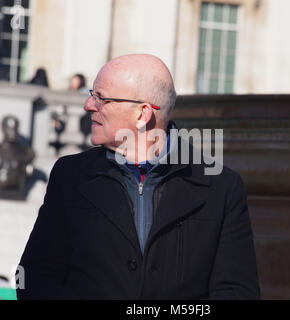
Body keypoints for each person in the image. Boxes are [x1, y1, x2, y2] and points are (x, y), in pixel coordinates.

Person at [17, 54, 260, 299]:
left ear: (143, 114)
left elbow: (238, 292)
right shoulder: (70, 175)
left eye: (102, 98)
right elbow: (32, 278)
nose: (88, 105)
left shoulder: (221, 187)